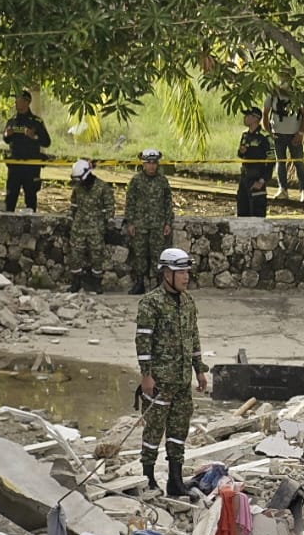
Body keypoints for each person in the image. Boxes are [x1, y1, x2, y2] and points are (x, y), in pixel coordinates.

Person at [135, 248, 209, 497]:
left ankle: (175, 481)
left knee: (179, 431)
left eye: (188, 272)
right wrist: (146, 376)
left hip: (181, 380)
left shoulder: (188, 301)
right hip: (160, 381)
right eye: (181, 272)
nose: (186, 277)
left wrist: (199, 370)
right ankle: (148, 478)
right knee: (154, 430)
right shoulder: (151, 303)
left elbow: (193, 337)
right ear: (167, 273)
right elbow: (143, 342)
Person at [124, 149, 174, 295]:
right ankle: (139, 283)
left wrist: (168, 223)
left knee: (158, 255)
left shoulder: (162, 181)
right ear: (143, 164)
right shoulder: (136, 181)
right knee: (139, 254)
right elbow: (130, 202)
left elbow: (168, 203)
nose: (151, 166)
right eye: (149, 163)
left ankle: (159, 284)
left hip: (158, 225)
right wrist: (130, 222)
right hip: (140, 225)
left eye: (154, 163)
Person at [66, 158, 115, 293]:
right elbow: (74, 204)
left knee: (96, 256)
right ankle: (76, 282)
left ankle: (96, 283)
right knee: (76, 255)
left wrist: (109, 222)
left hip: (96, 227)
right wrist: (70, 219)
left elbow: (109, 206)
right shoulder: (77, 187)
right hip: (79, 227)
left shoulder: (102, 187)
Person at [2, 89, 51, 212]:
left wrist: (33, 136)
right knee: (10, 198)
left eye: (19, 100)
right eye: (16, 100)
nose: (16, 103)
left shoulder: (36, 122)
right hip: (15, 166)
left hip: (31, 167)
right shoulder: (11, 121)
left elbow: (47, 142)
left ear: (27, 102)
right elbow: (6, 140)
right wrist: (7, 135)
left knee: (30, 198)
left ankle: (30, 226)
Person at [262, 76, 304, 202]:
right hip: (278, 134)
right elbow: (265, 113)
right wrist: (269, 131)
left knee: (299, 162)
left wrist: (301, 132)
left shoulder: (298, 94)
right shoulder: (272, 94)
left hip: (294, 134)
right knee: (280, 162)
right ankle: (282, 189)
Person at [237, 108, 275, 217]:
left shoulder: (265, 137)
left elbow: (272, 160)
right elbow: (241, 155)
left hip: (257, 179)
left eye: (247, 116)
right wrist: (241, 151)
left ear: (255, 119)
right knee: (242, 212)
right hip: (244, 178)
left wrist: (262, 180)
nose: (245, 118)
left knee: (257, 214)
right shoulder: (245, 135)